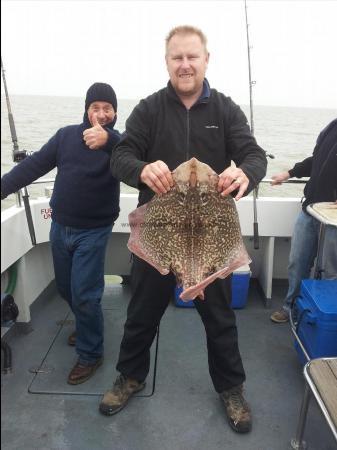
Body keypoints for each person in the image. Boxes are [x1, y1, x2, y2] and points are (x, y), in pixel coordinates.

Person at [99, 26, 267, 434]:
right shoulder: (150, 109)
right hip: (158, 233)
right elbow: (120, 155)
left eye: (192, 56)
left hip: (210, 235)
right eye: (177, 58)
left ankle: (230, 387)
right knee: (141, 313)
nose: (185, 64)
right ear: (168, 62)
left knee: (220, 317)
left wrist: (245, 174)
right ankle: (131, 376)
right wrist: (141, 169)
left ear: (206, 60)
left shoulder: (225, 110)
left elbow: (254, 155)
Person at [1, 82, 121, 384]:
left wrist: (108, 141)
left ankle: (91, 353)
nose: (102, 114)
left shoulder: (121, 144)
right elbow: (33, 166)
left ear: (116, 113)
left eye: (108, 108)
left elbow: (138, 160)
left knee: (84, 293)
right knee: (67, 289)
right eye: (96, 107)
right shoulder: (67, 136)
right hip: (60, 226)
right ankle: (86, 324)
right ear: (86, 109)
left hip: (94, 231)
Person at [270, 118, 337, 323]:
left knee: (329, 270)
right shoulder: (332, 127)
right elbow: (316, 161)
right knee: (297, 262)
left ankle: (322, 318)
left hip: (334, 219)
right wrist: (289, 173)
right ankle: (290, 307)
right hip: (310, 210)